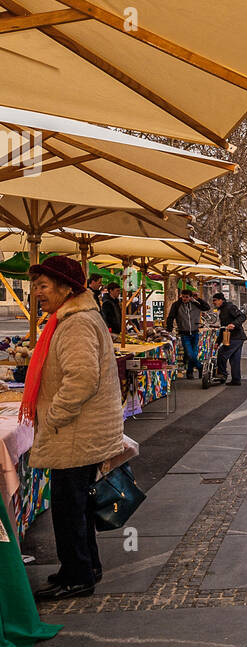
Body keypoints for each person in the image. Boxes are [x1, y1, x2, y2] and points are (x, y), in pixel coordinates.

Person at [22, 256, 124, 600]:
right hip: (79, 432)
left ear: (66, 288)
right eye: (35, 286)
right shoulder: (71, 318)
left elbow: (81, 379)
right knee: (77, 506)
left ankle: (77, 577)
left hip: (75, 433)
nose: (36, 293)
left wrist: (54, 417)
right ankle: (84, 567)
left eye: (43, 286)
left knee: (69, 508)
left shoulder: (76, 322)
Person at [166, 287, 210, 379]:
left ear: (190, 297)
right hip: (184, 333)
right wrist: (169, 330)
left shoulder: (196, 304)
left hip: (195, 332)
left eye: (186, 297)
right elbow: (170, 317)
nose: (184, 299)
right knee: (190, 354)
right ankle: (200, 367)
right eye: (183, 297)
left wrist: (198, 299)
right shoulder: (176, 305)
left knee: (193, 354)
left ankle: (189, 372)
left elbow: (207, 307)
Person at [212, 292, 246, 384]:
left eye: (215, 300)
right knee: (234, 359)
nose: (213, 302)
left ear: (221, 300)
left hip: (236, 337)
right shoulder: (222, 311)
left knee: (222, 353)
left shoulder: (230, 307)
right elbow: (223, 328)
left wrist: (233, 324)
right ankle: (236, 380)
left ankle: (222, 374)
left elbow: (242, 316)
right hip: (237, 337)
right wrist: (217, 342)